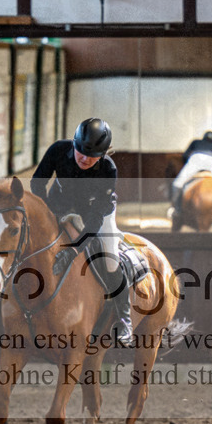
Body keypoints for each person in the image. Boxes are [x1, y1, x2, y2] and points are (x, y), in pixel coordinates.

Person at [30, 117, 132, 343]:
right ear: (74, 144)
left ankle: (124, 317)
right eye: (81, 152)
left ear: (103, 154)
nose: (85, 159)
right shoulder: (58, 150)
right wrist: (46, 212)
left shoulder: (108, 169)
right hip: (59, 206)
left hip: (96, 212)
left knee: (111, 258)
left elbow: (95, 220)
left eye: (92, 156)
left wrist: (74, 249)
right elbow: (37, 183)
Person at [170, 131, 212, 213]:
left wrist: (188, 165)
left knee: (177, 183)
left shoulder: (196, 142)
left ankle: (176, 209)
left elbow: (185, 156)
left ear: (203, 137)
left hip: (197, 159)